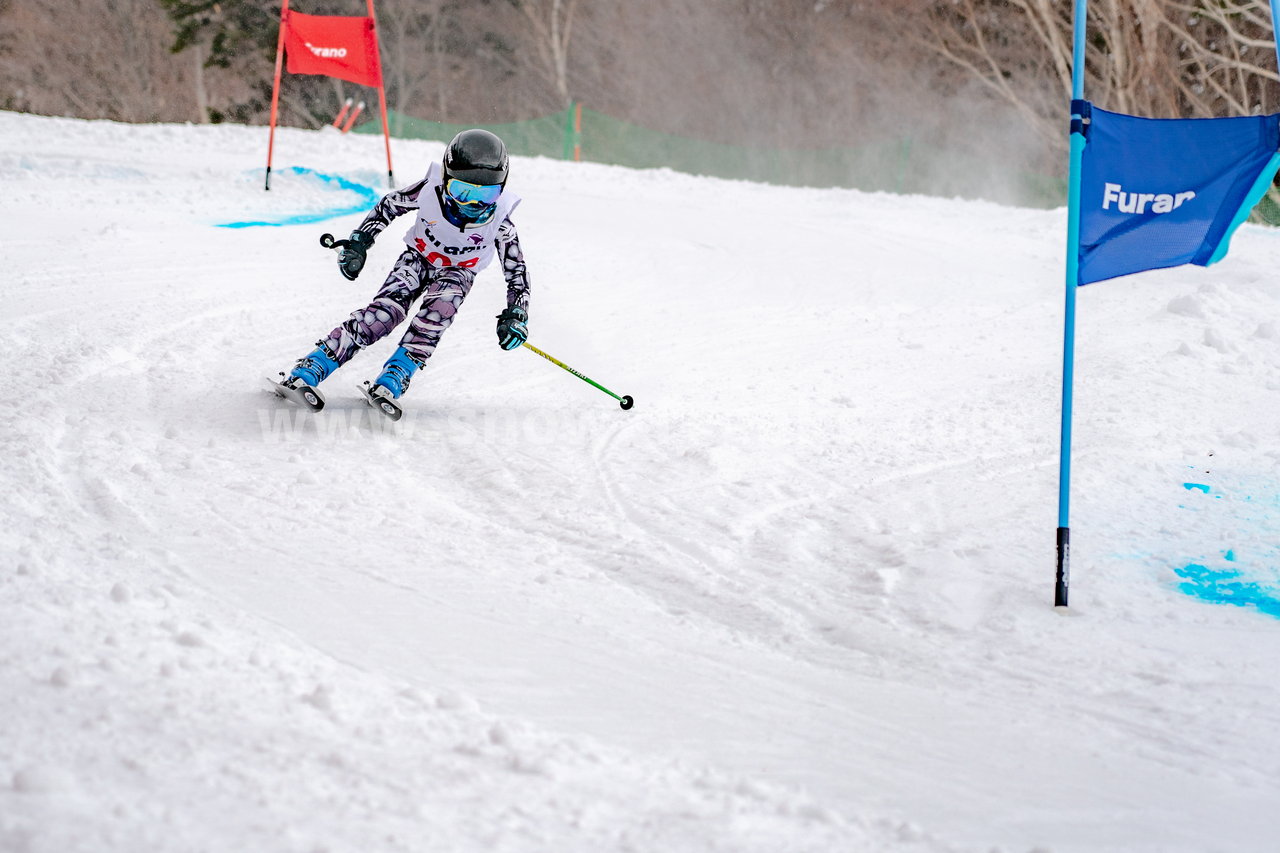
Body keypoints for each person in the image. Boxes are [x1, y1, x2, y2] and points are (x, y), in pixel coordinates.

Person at [279, 128, 530, 411]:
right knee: (383, 315)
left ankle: (394, 377)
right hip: (418, 259)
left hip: (457, 273)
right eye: (461, 191)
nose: (472, 205)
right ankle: (314, 365)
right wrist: (360, 242)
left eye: (487, 195)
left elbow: (516, 272)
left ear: (501, 190)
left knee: (435, 319)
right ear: (446, 179)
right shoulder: (428, 191)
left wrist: (516, 314)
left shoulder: (501, 223)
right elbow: (389, 206)